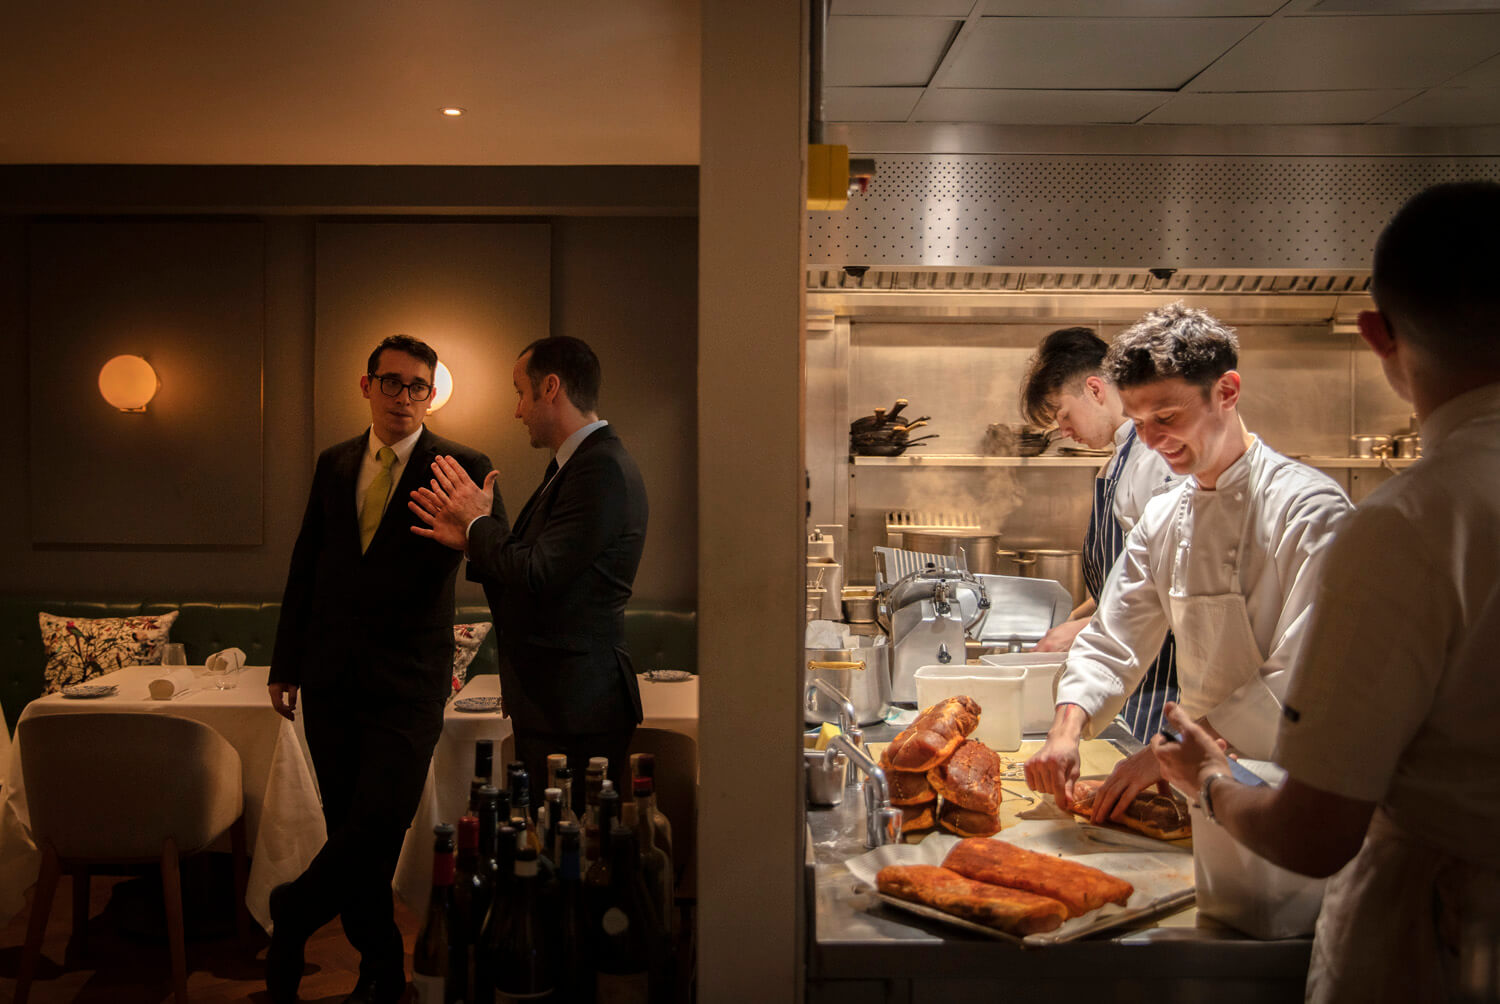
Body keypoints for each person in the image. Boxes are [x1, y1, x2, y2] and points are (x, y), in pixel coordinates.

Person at [1153, 181, 1500, 1001]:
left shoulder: (1409, 523)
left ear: (1377, 334)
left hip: (1448, 945)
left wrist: (1208, 778)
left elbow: (1312, 835)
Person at [1023, 303, 1353, 935]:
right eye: (1139, 419)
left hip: (1292, 801)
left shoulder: (1309, 511)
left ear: (1227, 391)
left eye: (1167, 416)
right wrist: (1067, 730)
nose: (1150, 439)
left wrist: (1174, 752)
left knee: (1275, 947)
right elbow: (1114, 636)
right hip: (1201, 795)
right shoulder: (1166, 515)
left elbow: (1301, 681)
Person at [265, 335, 494, 1004]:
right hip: (330, 678)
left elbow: (495, 554)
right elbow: (307, 563)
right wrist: (287, 663)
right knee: (349, 831)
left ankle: (295, 910)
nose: (404, 397)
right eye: (391, 383)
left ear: (433, 393)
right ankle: (380, 970)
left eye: (418, 385)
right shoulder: (334, 463)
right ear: (366, 387)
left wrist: (473, 526)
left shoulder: (462, 465)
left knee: (377, 823)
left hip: (410, 683)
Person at [410, 335, 648, 811]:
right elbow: (533, 570)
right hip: (558, 699)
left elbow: (538, 571)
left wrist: (476, 525)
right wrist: (472, 538)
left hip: (577, 705)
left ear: (551, 388)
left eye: (521, 392)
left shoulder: (598, 467)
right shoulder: (578, 464)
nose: (517, 411)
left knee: (573, 852)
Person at [1020, 326, 1180, 740]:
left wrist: (1082, 630)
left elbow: (1171, 588)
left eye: (1063, 416)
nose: (1064, 431)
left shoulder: (1153, 462)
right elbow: (1127, 573)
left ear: (1094, 389)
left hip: (1158, 687)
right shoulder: (1116, 463)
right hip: (1125, 678)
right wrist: (1078, 616)